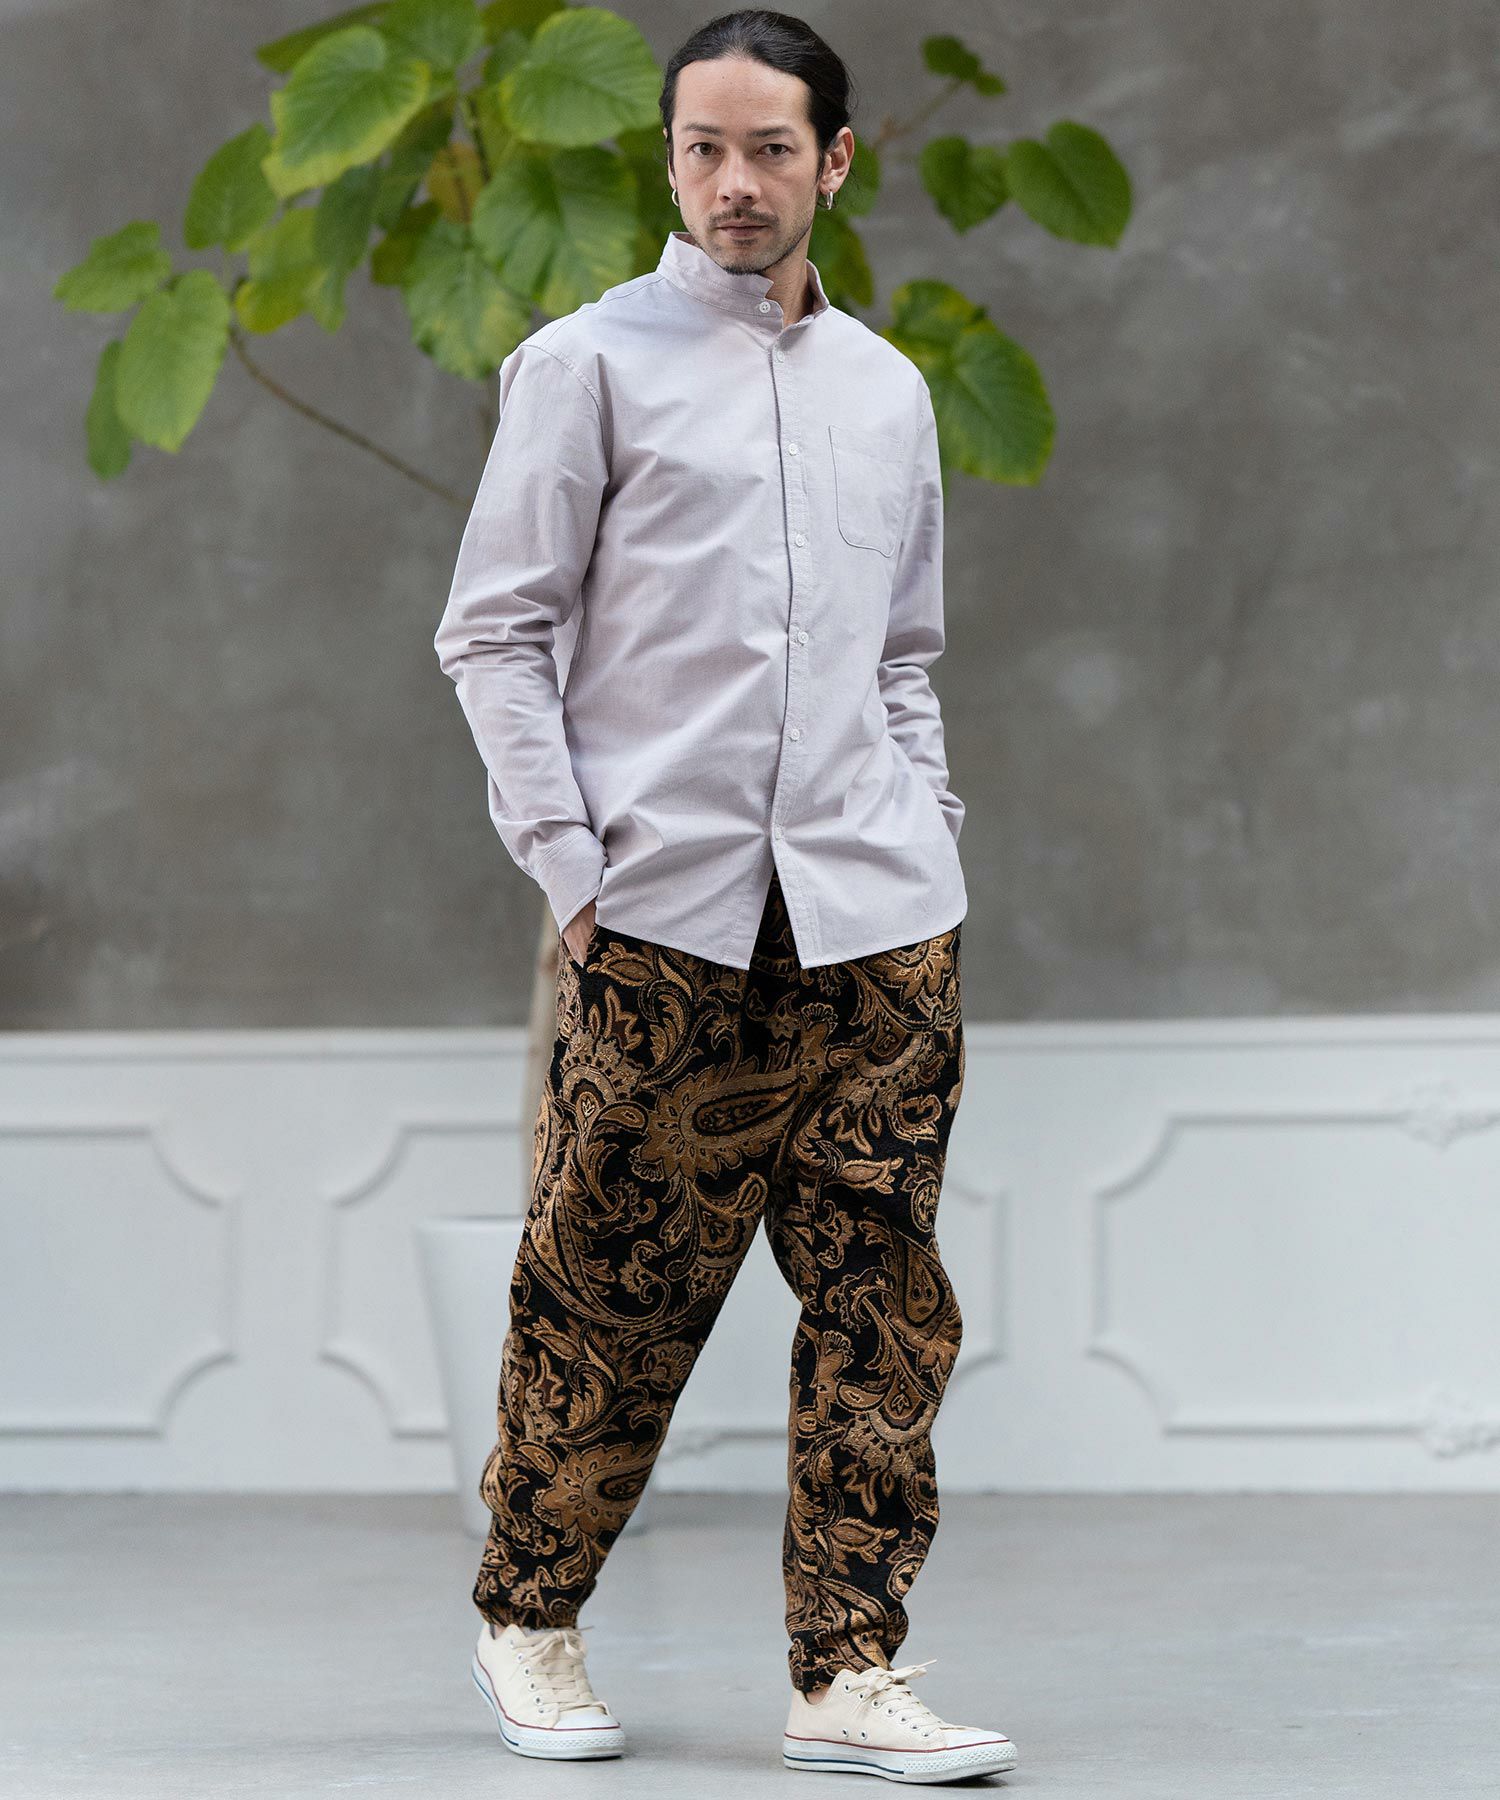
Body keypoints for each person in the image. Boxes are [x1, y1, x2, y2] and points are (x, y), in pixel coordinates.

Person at [433, 8, 1016, 1785]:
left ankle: (849, 1670)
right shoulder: (584, 365)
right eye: (703, 147)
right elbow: (496, 634)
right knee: (604, 1298)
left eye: (771, 149)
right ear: (670, 158)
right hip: (664, 924)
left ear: (834, 160)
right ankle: (529, 1618)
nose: (735, 182)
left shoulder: (887, 390)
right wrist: (574, 874)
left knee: (884, 1308)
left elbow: (902, 655)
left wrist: (931, 837)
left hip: (878, 924)